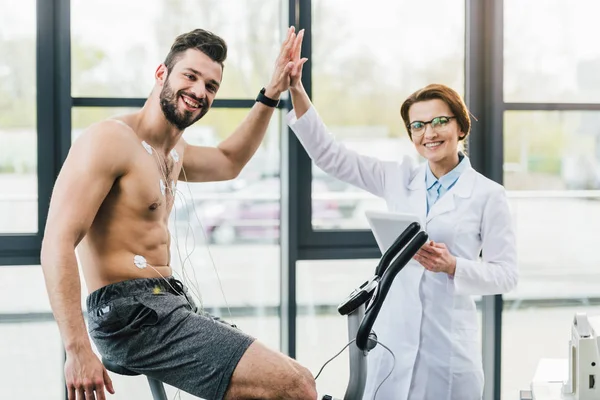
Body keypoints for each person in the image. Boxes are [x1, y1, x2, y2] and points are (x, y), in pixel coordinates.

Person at [40, 27, 317, 400]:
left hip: (167, 302)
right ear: (161, 74)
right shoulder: (109, 139)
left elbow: (229, 160)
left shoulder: (173, 151)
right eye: (190, 76)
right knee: (295, 386)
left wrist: (271, 92)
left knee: (290, 380)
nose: (200, 91)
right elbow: (56, 242)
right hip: (130, 315)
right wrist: (76, 350)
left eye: (211, 86)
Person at [286, 57, 518, 399]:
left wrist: (454, 266)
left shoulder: (488, 195)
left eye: (440, 121)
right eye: (418, 125)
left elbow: (506, 275)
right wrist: (296, 88)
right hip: (392, 339)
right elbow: (329, 155)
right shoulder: (397, 177)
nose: (429, 133)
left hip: (448, 348)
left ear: (461, 127)